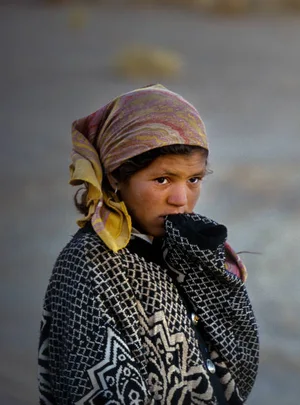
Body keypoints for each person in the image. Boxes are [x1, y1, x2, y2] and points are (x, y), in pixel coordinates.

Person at [38, 84, 259, 404]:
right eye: (162, 180)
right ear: (115, 176)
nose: (181, 200)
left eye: (194, 179)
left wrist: (207, 263)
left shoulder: (185, 250)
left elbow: (240, 362)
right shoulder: (87, 266)